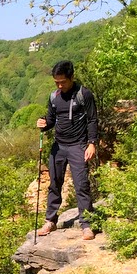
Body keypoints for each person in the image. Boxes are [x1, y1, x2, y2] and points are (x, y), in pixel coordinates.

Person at [35, 60, 99, 240]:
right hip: (59, 146)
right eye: (56, 82)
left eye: (63, 81)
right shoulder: (54, 97)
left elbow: (92, 120)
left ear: (71, 77)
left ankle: (87, 225)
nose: (60, 85)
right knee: (54, 183)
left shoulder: (83, 94)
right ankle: (50, 221)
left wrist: (92, 143)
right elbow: (51, 120)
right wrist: (43, 123)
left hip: (78, 145)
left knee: (81, 185)